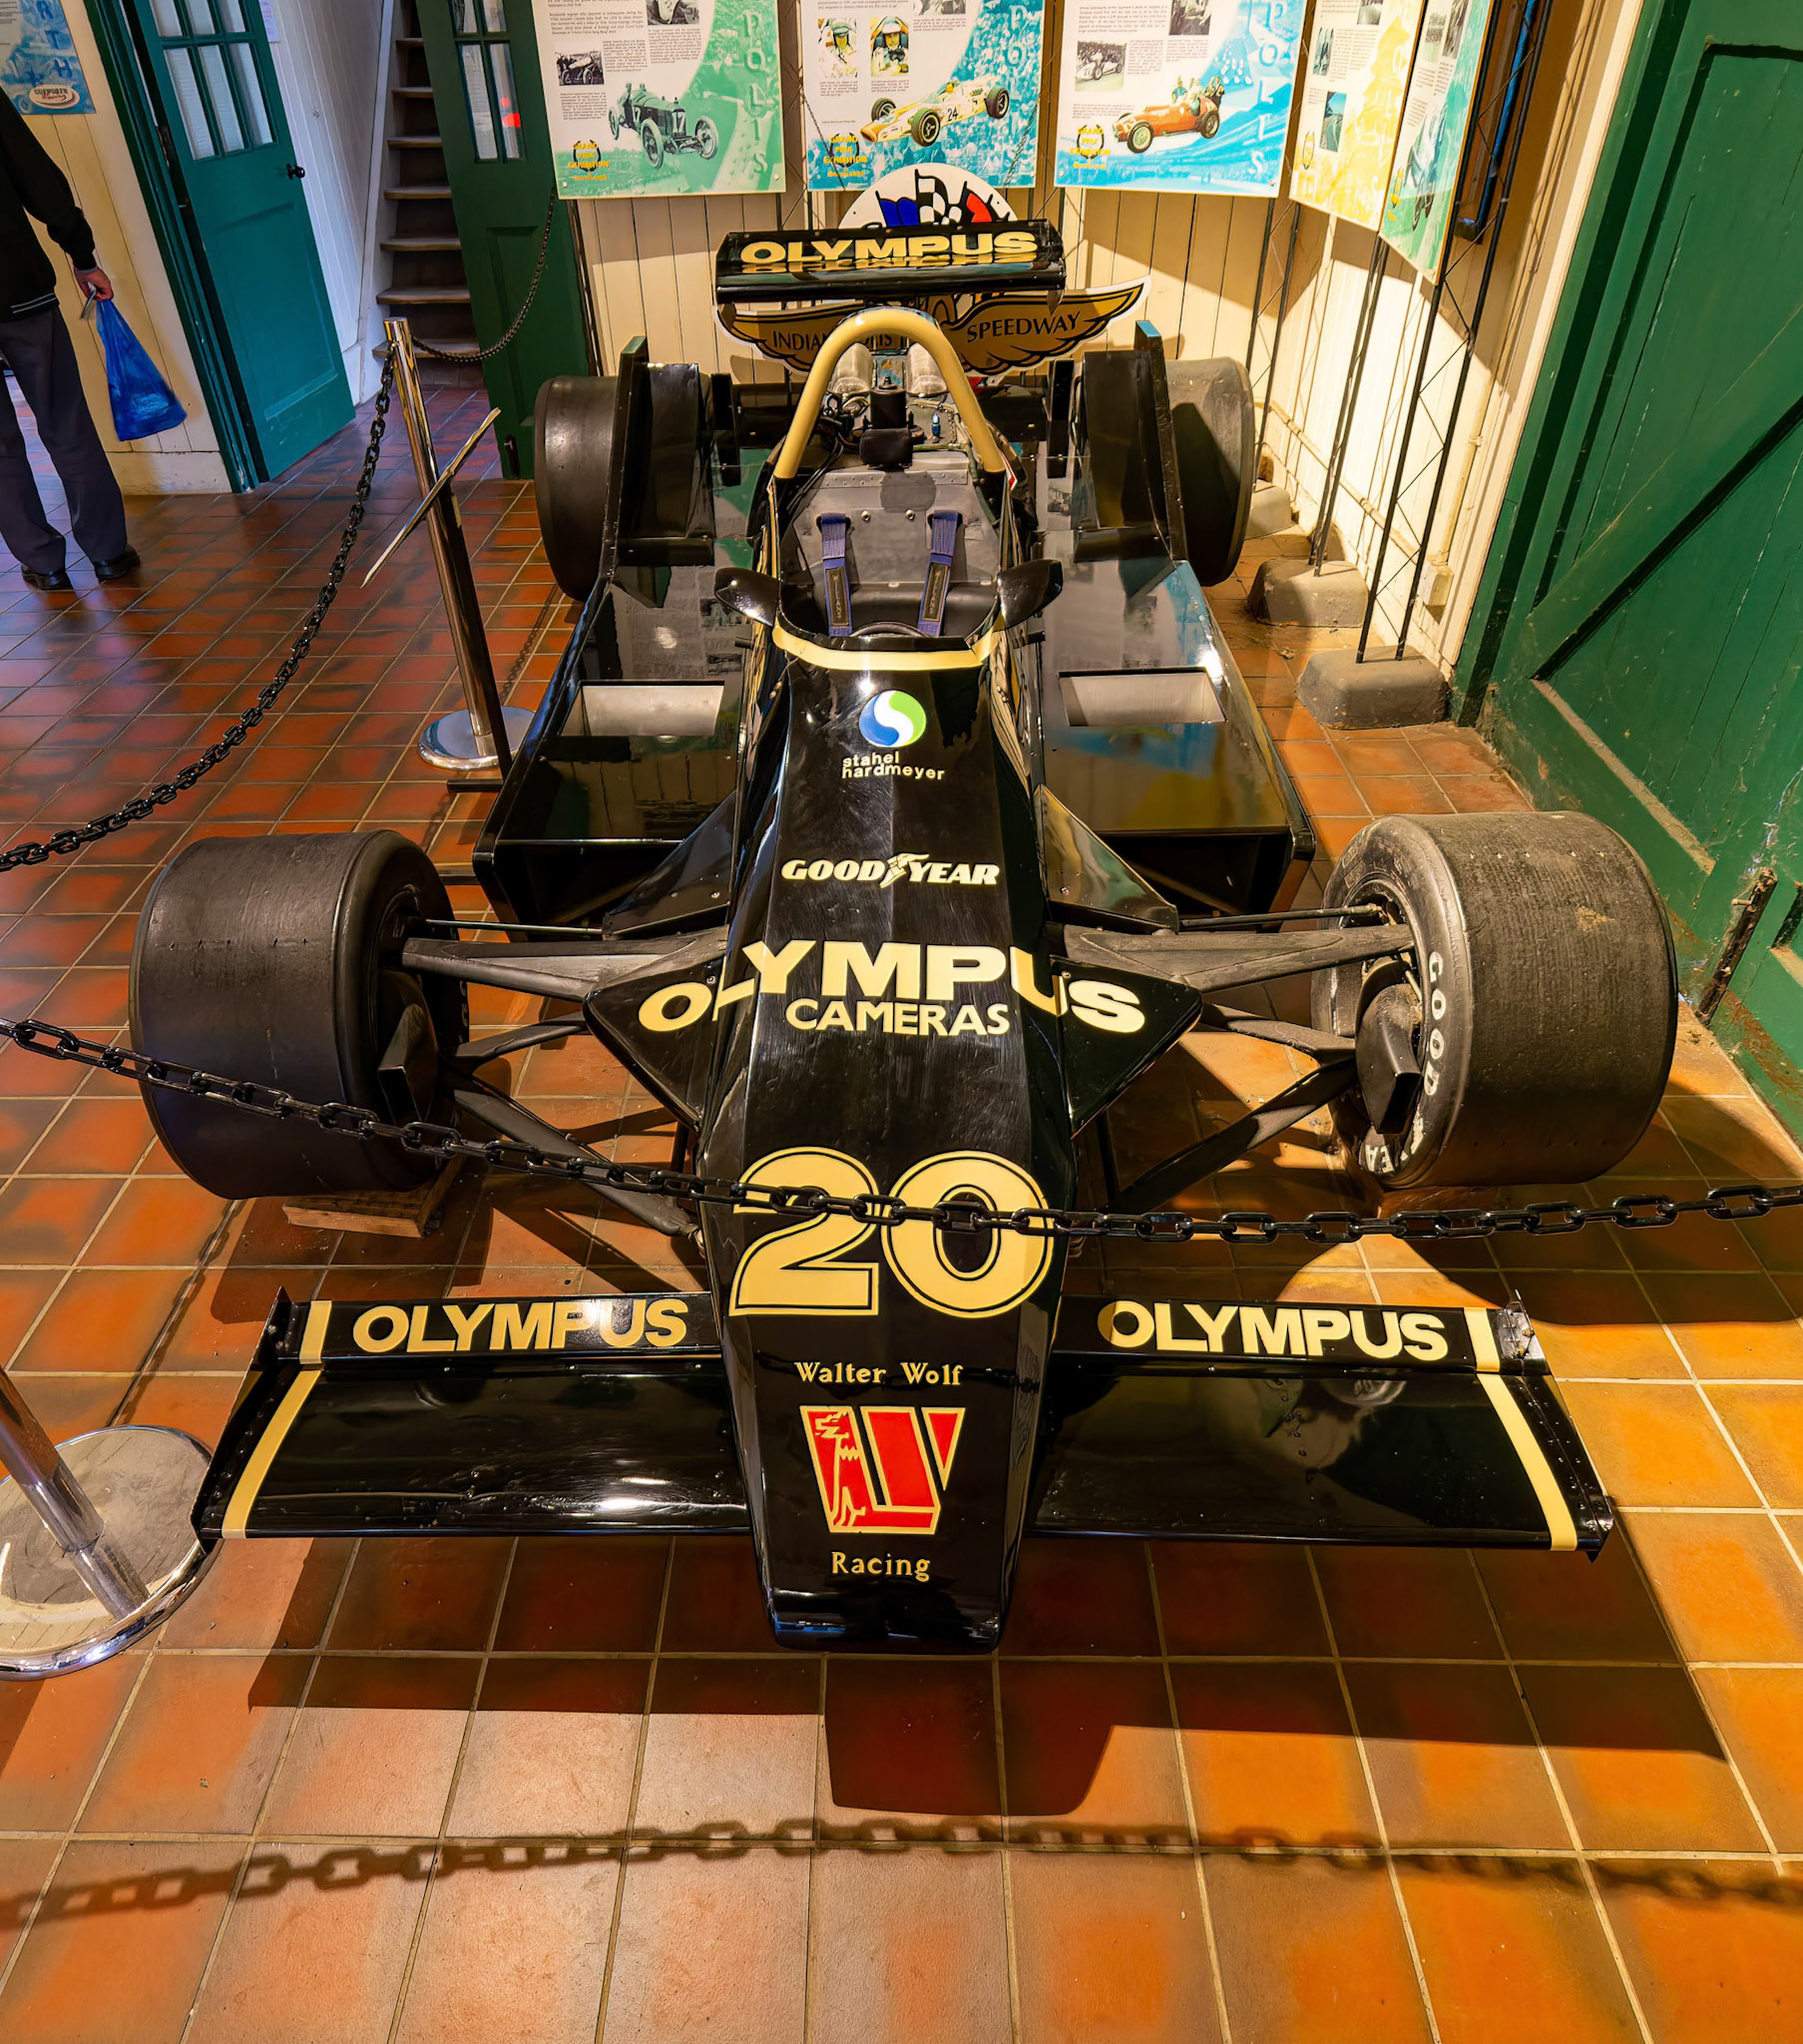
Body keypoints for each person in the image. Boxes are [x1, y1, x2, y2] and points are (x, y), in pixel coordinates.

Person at [0, 92, 137, 592]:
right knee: (66, 422)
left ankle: (44, 563)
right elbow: (39, 180)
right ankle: (108, 553)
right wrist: (82, 256)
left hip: (21, 290)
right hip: (19, 286)